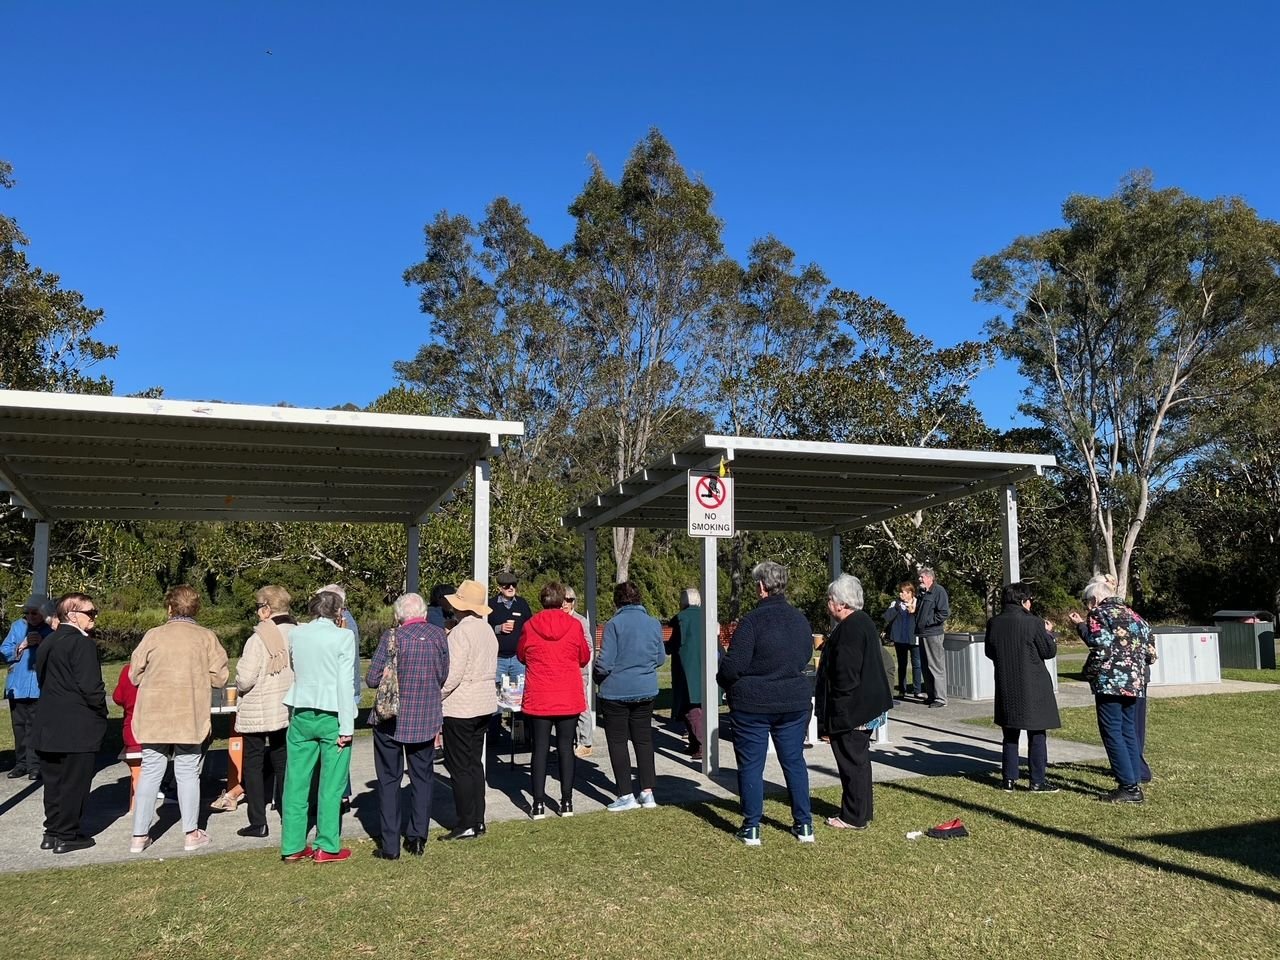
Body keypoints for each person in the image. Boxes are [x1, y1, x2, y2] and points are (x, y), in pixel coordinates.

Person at [716, 561, 815, 845]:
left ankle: (752, 826)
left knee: (751, 764)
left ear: (761, 587)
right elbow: (805, 655)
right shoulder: (799, 619)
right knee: (794, 761)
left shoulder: (752, 622)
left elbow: (733, 665)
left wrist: (725, 678)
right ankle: (804, 824)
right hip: (793, 701)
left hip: (753, 703)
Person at [128, 585, 230, 853]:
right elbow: (220, 677)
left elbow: (134, 675)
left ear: (169, 608)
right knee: (187, 772)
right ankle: (191, 833)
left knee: (151, 771)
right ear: (196, 609)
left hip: (154, 714)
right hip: (189, 714)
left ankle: (139, 835)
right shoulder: (206, 637)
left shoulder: (153, 635)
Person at [366, 592, 449, 859]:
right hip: (424, 717)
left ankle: (390, 845)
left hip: (391, 718)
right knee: (422, 777)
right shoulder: (438, 636)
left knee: (389, 780)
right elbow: (443, 673)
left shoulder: (392, 637)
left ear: (399, 615)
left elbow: (372, 678)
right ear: (423, 613)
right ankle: (417, 837)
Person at [280, 590, 357, 863]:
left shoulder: (296, 634)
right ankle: (327, 845)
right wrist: (347, 727)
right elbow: (345, 683)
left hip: (301, 711)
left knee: (296, 782)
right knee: (331, 785)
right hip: (332, 714)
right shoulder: (344, 637)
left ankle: (291, 845)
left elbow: (295, 667)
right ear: (339, 612)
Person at [815, 574, 893, 830]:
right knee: (858, 762)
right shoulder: (863, 622)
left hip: (853, 709)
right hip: (865, 706)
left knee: (851, 763)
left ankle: (853, 816)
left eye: (830, 599)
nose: (828, 604)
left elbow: (845, 675)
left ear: (840, 603)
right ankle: (861, 811)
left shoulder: (850, 629)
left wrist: (836, 714)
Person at [33, 593, 108, 854]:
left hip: (48, 723)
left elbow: (43, 680)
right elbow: (91, 687)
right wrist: (101, 711)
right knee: (74, 782)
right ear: (73, 614)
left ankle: (52, 831)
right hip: (77, 724)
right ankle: (67, 834)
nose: (94, 617)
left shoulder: (47, 642)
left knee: (53, 782)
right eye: (91, 612)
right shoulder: (82, 644)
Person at [1076, 578, 1156, 803]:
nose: (1087, 607)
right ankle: (1134, 779)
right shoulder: (1137, 617)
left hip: (1110, 682)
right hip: (1135, 682)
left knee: (1112, 731)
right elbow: (1151, 654)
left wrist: (1089, 673)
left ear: (1094, 599)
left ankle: (1128, 787)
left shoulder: (1099, 614)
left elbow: (1100, 646)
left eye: (1086, 602)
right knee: (1128, 730)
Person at [518, 581, 591, 819]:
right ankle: (567, 801)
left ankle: (538, 803)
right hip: (567, 694)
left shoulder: (530, 625)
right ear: (562, 601)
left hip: (539, 694)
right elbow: (583, 656)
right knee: (565, 749)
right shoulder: (574, 625)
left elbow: (521, 654)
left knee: (539, 750)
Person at [983, 582, 1061, 793]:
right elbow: (1047, 651)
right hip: (1033, 682)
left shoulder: (994, 623)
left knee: (1010, 733)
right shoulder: (1033, 622)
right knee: (1037, 732)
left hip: (1006, 681)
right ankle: (1037, 780)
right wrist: (1049, 634)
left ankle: (1008, 779)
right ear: (1024, 600)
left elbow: (989, 651)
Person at [595, 581, 666, 813]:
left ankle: (626, 794)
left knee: (617, 742)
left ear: (617, 601)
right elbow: (660, 658)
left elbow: (605, 662)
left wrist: (597, 675)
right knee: (644, 740)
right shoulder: (654, 623)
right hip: (645, 689)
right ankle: (648, 791)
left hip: (616, 690)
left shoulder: (614, 624)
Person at [233, 585, 296, 839]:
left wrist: (238, 682)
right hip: (286, 706)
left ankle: (257, 821)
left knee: (254, 764)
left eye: (259, 606)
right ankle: (286, 810)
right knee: (283, 761)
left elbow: (245, 679)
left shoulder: (258, 638)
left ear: (266, 609)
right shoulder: (297, 632)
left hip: (258, 708)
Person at [439, 580, 497, 841]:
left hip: (462, 706)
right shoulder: (486, 631)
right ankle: (478, 819)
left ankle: (466, 821)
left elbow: (453, 675)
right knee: (474, 763)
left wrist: (436, 695)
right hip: (484, 704)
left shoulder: (461, 633)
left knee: (459, 765)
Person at [317, 583, 360, 810]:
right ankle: (342, 792)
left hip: (341, 692)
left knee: (338, 746)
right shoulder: (345, 623)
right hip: (344, 691)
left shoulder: (343, 627)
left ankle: (341, 794)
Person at [3, 594, 53, 779]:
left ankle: (35, 765)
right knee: (19, 727)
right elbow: (4, 650)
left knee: (35, 726)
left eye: (35, 613)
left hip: (40, 687)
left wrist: (42, 643)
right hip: (18, 685)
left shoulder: (50, 630)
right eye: (28, 613)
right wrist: (21, 645)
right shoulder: (18, 627)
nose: (31, 616)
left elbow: (56, 652)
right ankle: (21, 763)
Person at [667, 587, 706, 760]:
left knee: (691, 710)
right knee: (699, 707)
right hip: (703, 669)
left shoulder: (682, 619)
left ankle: (702, 744)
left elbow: (675, 644)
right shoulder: (706, 616)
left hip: (686, 670)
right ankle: (694, 743)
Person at [562, 586, 594, 759]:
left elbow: (588, 646)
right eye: (563, 600)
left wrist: (576, 661)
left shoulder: (581, 620)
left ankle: (586, 741)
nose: (566, 603)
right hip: (563, 671)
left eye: (569, 600)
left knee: (582, 705)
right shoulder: (558, 618)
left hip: (578, 670)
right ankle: (571, 739)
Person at [488, 571, 532, 686]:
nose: (511, 588)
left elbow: (530, 627)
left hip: (518, 659)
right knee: (496, 692)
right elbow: (484, 630)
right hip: (497, 659)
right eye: (507, 585)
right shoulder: (490, 605)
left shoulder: (522, 604)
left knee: (519, 692)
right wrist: (499, 628)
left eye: (513, 585)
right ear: (500, 588)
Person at [915, 567, 951, 708]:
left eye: (922, 577)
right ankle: (931, 695)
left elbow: (943, 613)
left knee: (936, 666)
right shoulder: (923, 593)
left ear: (930, 578)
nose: (919, 580)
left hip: (933, 633)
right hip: (923, 633)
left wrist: (927, 622)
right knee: (925, 666)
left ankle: (941, 699)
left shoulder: (939, 591)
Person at [883, 581, 922, 700]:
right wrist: (896, 608)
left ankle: (917, 690)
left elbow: (921, 618)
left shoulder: (918, 602)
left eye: (904, 592)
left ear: (911, 593)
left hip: (914, 638)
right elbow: (887, 617)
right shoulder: (896, 604)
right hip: (900, 639)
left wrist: (914, 611)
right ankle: (902, 690)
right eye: (901, 592)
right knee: (902, 664)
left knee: (917, 664)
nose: (902, 594)